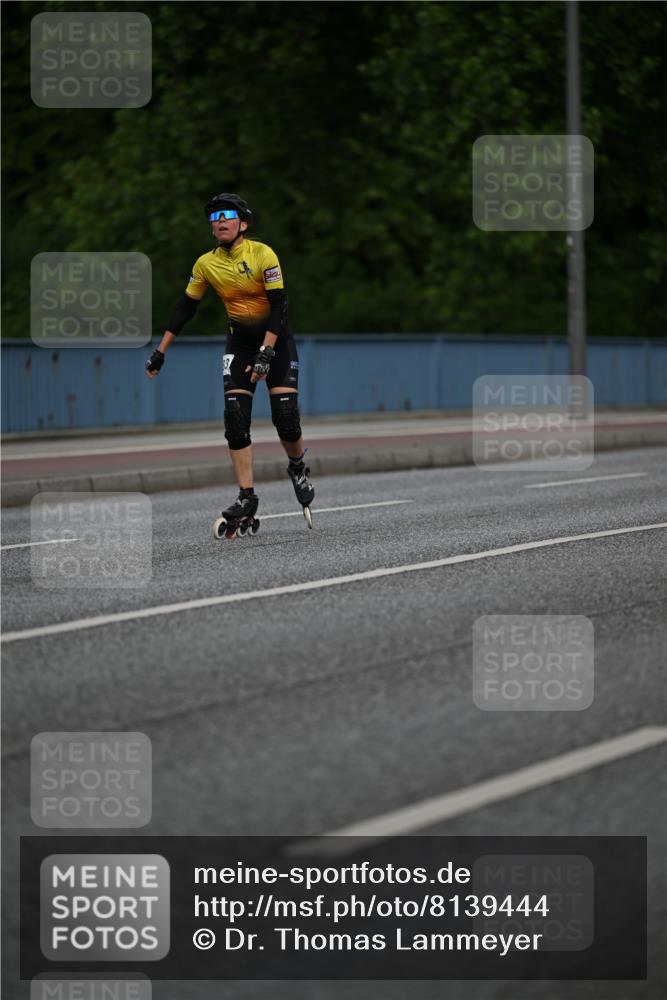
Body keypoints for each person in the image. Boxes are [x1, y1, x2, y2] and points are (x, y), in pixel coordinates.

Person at [145, 192, 314, 536]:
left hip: (276, 339)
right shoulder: (205, 264)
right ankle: (246, 497)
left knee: (285, 418)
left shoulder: (262, 253)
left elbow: (280, 306)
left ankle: (297, 466)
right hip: (240, 342)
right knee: (235, 420)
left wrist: (267, 352)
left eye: (227, 215)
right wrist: (160, 351)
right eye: (214, 217)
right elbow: (184, 308)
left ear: (243, 224)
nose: (220, 221)